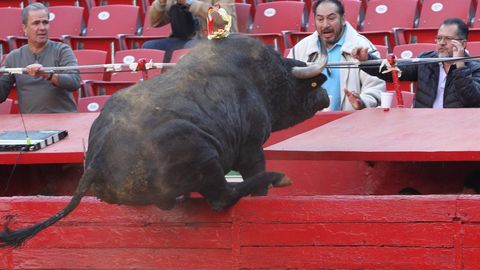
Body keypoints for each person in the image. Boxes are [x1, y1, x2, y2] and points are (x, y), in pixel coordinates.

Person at [353, 18, 480, 108]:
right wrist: (366, 60)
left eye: (448, 39)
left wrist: (460, 65)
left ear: (462, 44)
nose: (441, 42)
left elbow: (473, 100)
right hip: (424, 125)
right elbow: (393, 71)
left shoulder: (475, 67)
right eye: (439, 38)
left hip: (456, 128)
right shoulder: (426, 60)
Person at [287, 0, 385, 111]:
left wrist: (362, 102)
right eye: (320, 19)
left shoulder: (363, 48)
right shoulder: (300, 49)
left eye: (331, 18)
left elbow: (375, 88)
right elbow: (288, 86)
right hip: (312, 123)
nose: (325, 25)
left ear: (343, 19)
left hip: (350, 123)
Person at [0, 3, 81, 114]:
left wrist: (48, 75)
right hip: (30, 127)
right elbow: (1, 94)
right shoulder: (13, 57)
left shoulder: (62, 50)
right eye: (36, 23)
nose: (42, 28)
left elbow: (74, 82)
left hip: (63, 123)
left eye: (45, 22)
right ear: (24, 28)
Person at [143, 0, 237, 62]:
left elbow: (223, 18)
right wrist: (161, 3)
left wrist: (189, 2)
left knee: (190, 47)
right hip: (185, 40)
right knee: (150, 47)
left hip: (218, 41)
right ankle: (155, 89)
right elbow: (154, 22)